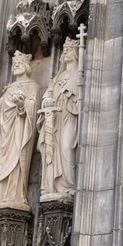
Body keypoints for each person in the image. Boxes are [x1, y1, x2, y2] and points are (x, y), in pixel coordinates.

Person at [0, 51, 40, 210]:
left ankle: (14, 195)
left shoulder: (32, 86)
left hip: (18, 132)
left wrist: (21, 105)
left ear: (26, 66)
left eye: (19, 63)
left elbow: (33, 108)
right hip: (2, 136)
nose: (16, 66)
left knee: (16, 165)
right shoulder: (8, 89)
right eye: (14, 64)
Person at [37, 37, 80, 199]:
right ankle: (52, 186)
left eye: (70, 49)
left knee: (67, 146)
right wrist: (47, 100)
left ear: (77, 53)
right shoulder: (57, 77)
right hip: (55, 119)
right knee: (52, 150)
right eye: (65, 50)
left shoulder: (79, 74)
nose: (66, 52)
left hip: (69, 115)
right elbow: (48, 93)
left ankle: (67, 185)